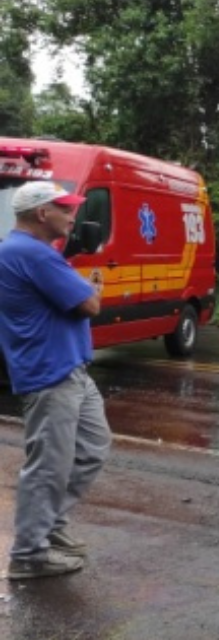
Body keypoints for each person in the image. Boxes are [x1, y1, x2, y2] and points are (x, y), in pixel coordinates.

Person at [0, 181, 111, 579]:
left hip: (70, 368)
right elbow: (88, 304)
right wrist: (91, 288)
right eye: (65, 208)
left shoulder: (32, 252)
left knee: (93, 448)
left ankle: (50, 525)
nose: (73, 215)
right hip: (50, 373)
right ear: (41, 213)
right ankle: (29, 554)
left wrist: (85, 289)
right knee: (48, 465)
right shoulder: (32, 254)